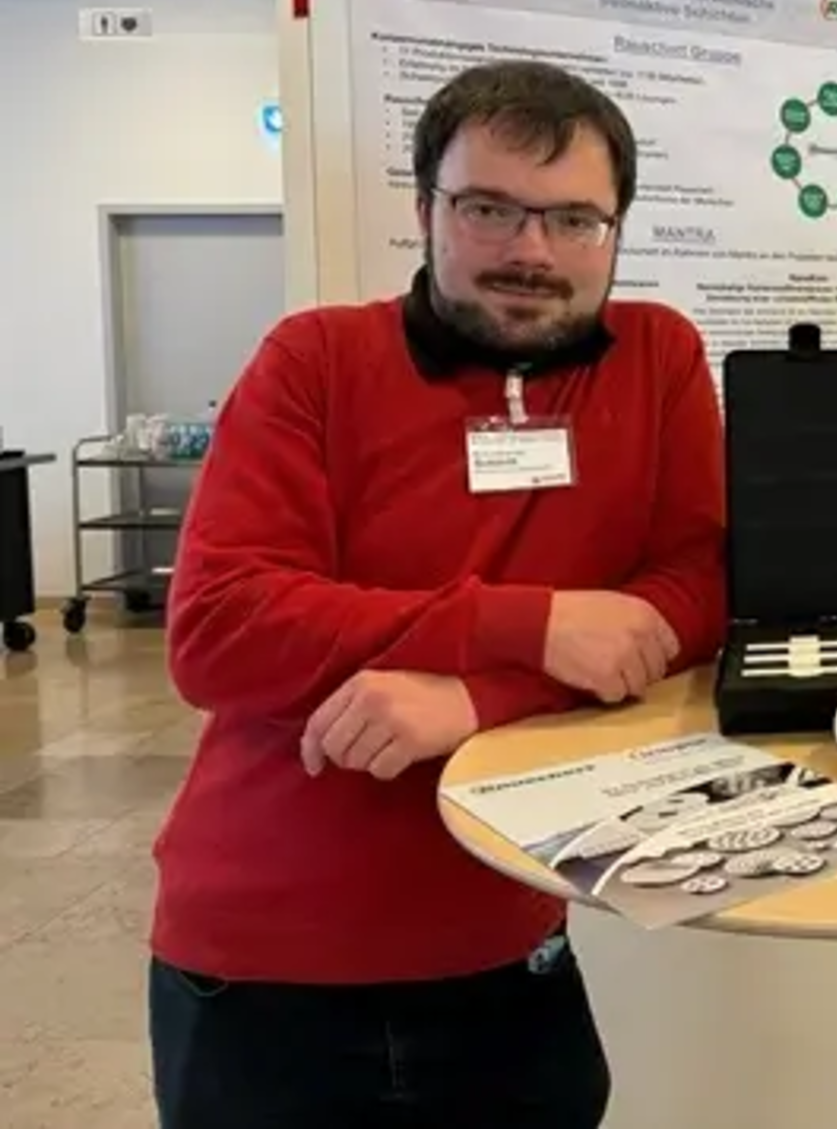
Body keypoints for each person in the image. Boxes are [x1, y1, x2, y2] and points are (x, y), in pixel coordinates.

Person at [147, 58, 728, 1128]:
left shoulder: (657, 359)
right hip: (272, 967)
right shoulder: (315, 361)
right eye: (489, 209)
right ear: (426, 210)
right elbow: (220, 628)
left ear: (617, 231)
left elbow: (695, 594)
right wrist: (530, 622)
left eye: (574, 221)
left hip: (511, 949)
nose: (531, 251)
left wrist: (479, 700)